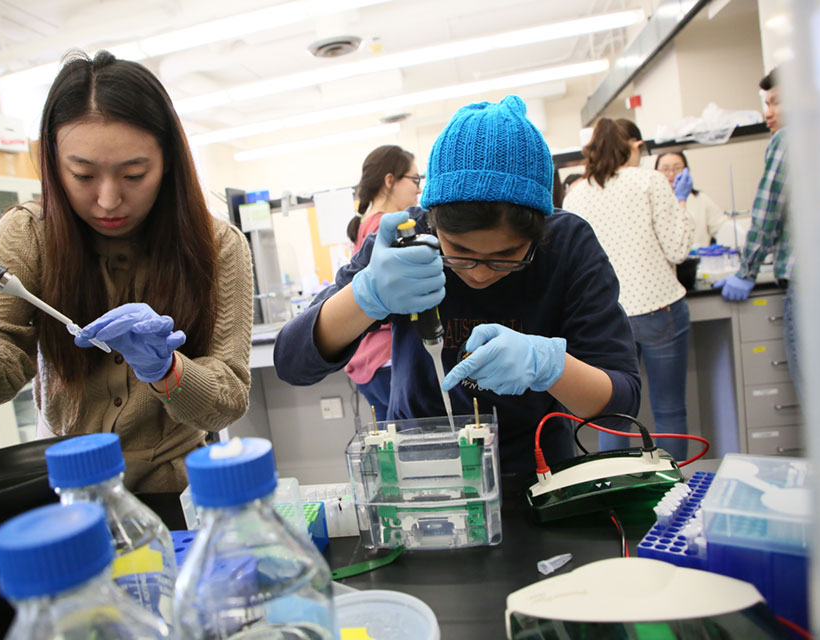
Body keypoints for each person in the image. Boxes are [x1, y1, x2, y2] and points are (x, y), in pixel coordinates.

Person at [0, 51, 254, 492]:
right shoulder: (28, 234)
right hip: (68, 491)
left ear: (169, 161)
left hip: (182, 493)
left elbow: (225, 403)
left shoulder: (217, 246)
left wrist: (167, 370)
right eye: (83, 174)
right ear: (55, 165)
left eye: (134, 175)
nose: (109, 199)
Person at [274, 96, 640, 480]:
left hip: (536, 474)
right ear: (432, 223)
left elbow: (623, 402)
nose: (480, 273)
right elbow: (292, 362)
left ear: (540, 231)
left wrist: (549, 366)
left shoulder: (568, 245)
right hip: (420, 470)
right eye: (459, 252)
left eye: (507, 256)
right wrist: (367, 296)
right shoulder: (406, 241)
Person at [563, 118, 694, 461]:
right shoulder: (650, 181)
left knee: (613, 418)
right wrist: (681, 204)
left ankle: (615, 497)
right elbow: (678, 249)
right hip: (658, 308)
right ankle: (675, 489)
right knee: (668, 411)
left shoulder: (577, 194)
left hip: (605, 318)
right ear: (634, 147)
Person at [714, 68, 798, 395]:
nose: (768, 112)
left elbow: (767, 212)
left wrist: (746, 271)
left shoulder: (790, 138)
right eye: (766, 103)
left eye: (776, 102)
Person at [343, 145, 421, 421]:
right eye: (414, 180)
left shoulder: (366, 223)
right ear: (390, 180)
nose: (418, 189)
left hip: (368, 359)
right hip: (386, 358)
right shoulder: (385, 227)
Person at [655, 150, 730, 247]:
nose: (671, 173)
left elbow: (722, 226)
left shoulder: (700, 198)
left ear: (686, 170)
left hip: (699, 258)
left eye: (677, 168)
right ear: (656, 172)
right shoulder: (652, 202)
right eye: (665, 169)